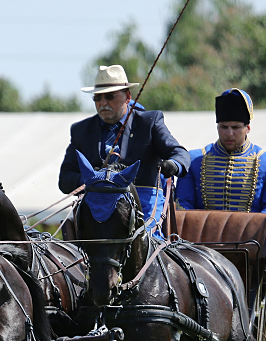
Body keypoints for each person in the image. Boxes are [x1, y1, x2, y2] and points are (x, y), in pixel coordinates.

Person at [58, 64, 190, 233]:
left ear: (127, 96)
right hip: (97, 209)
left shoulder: (149, 122)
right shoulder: (81, 130)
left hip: (143, 206)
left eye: (109, 96)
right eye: (97, 98)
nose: (103, 103)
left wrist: (174, 164)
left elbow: (180, 153)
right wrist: (96, 181)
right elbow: (65, 179)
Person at [174, 88, 266, 266]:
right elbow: (182, 204)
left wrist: (250, 234)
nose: (229, 133)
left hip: (251, 243)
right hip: (202, 243)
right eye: (223, 127)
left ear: (247, 128)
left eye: (235, 127)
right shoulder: (194, 159)